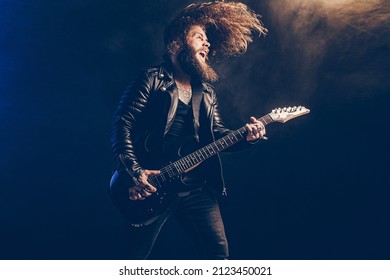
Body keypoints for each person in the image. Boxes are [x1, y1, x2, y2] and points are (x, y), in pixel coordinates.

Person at [111, 1, 267, 259]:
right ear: (175, 45)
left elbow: (218, 134)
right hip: (150, 187)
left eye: (207, 40)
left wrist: (248, 137)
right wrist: (133, 173)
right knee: (132, 261)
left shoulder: (206, 93)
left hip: (195, 188)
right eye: (198, 38)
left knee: (219, 258)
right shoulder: (151, 80)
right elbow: (122, 124)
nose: (207, 44)